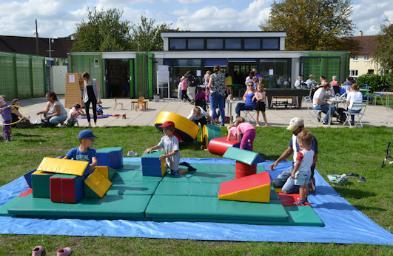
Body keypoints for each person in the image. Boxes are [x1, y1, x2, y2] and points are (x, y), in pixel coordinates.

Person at [270, 117, 318, 194]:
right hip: (294, 167)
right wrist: (277, 161)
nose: (293, 131)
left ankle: (309, 183)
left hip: (302, 170)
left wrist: (308, 172)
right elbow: (289, 150)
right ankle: (298, 181)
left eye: (294, 129)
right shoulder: (294, 136)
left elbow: (314, 157)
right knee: (276, 183)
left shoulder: (309, 139)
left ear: (301, 127)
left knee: (286, 190)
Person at [290, 129, 315, 205]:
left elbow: (297, 164)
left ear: (301, 143)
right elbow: (312, 162)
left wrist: (293, 172)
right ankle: (306, 198)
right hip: (308, 171)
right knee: (306, 186)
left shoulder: (301, 153)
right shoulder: (312, 152)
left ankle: (301, 200)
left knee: (301, 187)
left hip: (301, 172)